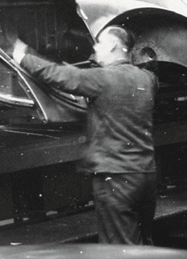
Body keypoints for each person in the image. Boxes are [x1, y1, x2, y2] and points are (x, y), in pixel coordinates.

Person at [13, 26, 158, 245]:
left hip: (116, 177)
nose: (95, 48)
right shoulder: (148, 79)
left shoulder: (102, 79)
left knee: (119, 250)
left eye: (99, 43)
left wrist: (22, 57)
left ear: (112, 46)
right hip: (146, 174)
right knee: (144, 243)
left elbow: (60, 76)